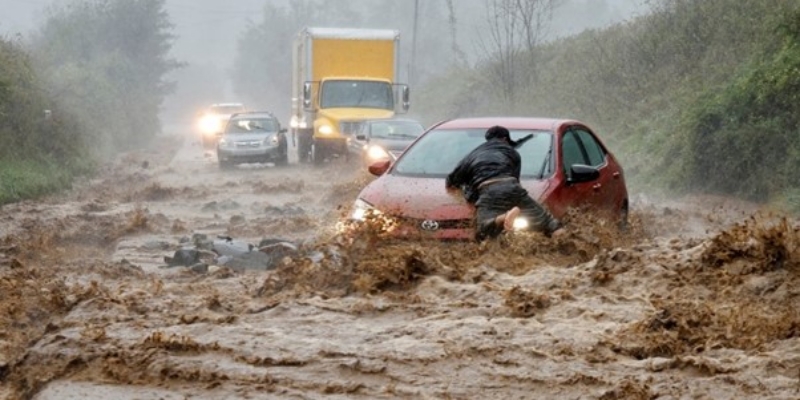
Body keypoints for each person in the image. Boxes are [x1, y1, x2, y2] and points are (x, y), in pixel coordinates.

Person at [446, 125, 564, 241]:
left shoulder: (472, 155)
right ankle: (567, 247)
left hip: (489, 189)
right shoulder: (513, 153)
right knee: (549, 222)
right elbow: (516, 180)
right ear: (505, 139)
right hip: (512, 186)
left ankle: (502, 218)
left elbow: (451, 180)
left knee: (482, 230)